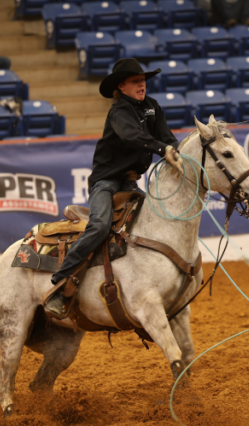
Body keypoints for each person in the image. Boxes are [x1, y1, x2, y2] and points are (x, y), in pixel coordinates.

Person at [44, 58, 185, 318]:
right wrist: (162, 149)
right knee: (99, 225)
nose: (142, 85)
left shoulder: (152, 107)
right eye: (135, 81)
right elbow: (132, 136)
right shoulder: (119, 111)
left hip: (130, 183)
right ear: (121, 86)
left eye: (143, 80)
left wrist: (176, 151)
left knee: (153, 223)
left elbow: (166, 137)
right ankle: (61, 282)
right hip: (106, 182)